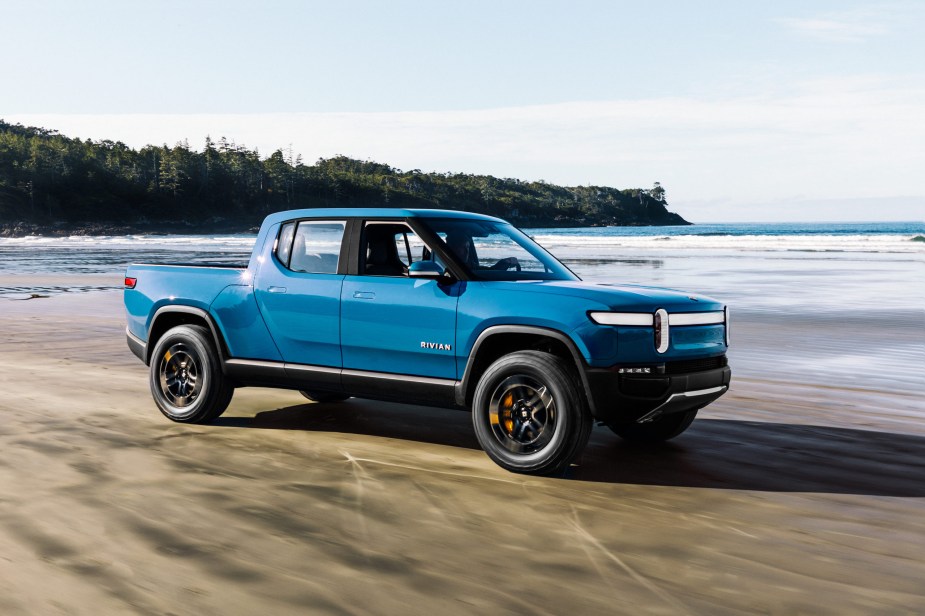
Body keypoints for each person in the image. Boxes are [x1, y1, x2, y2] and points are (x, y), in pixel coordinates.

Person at [445, 231, 519, 271]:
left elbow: (487, 272)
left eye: (467, 247)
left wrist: (504, 262)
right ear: (452, 248)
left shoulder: (469, 264)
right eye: (462, 247)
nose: (467, 251)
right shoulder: (444, 265)